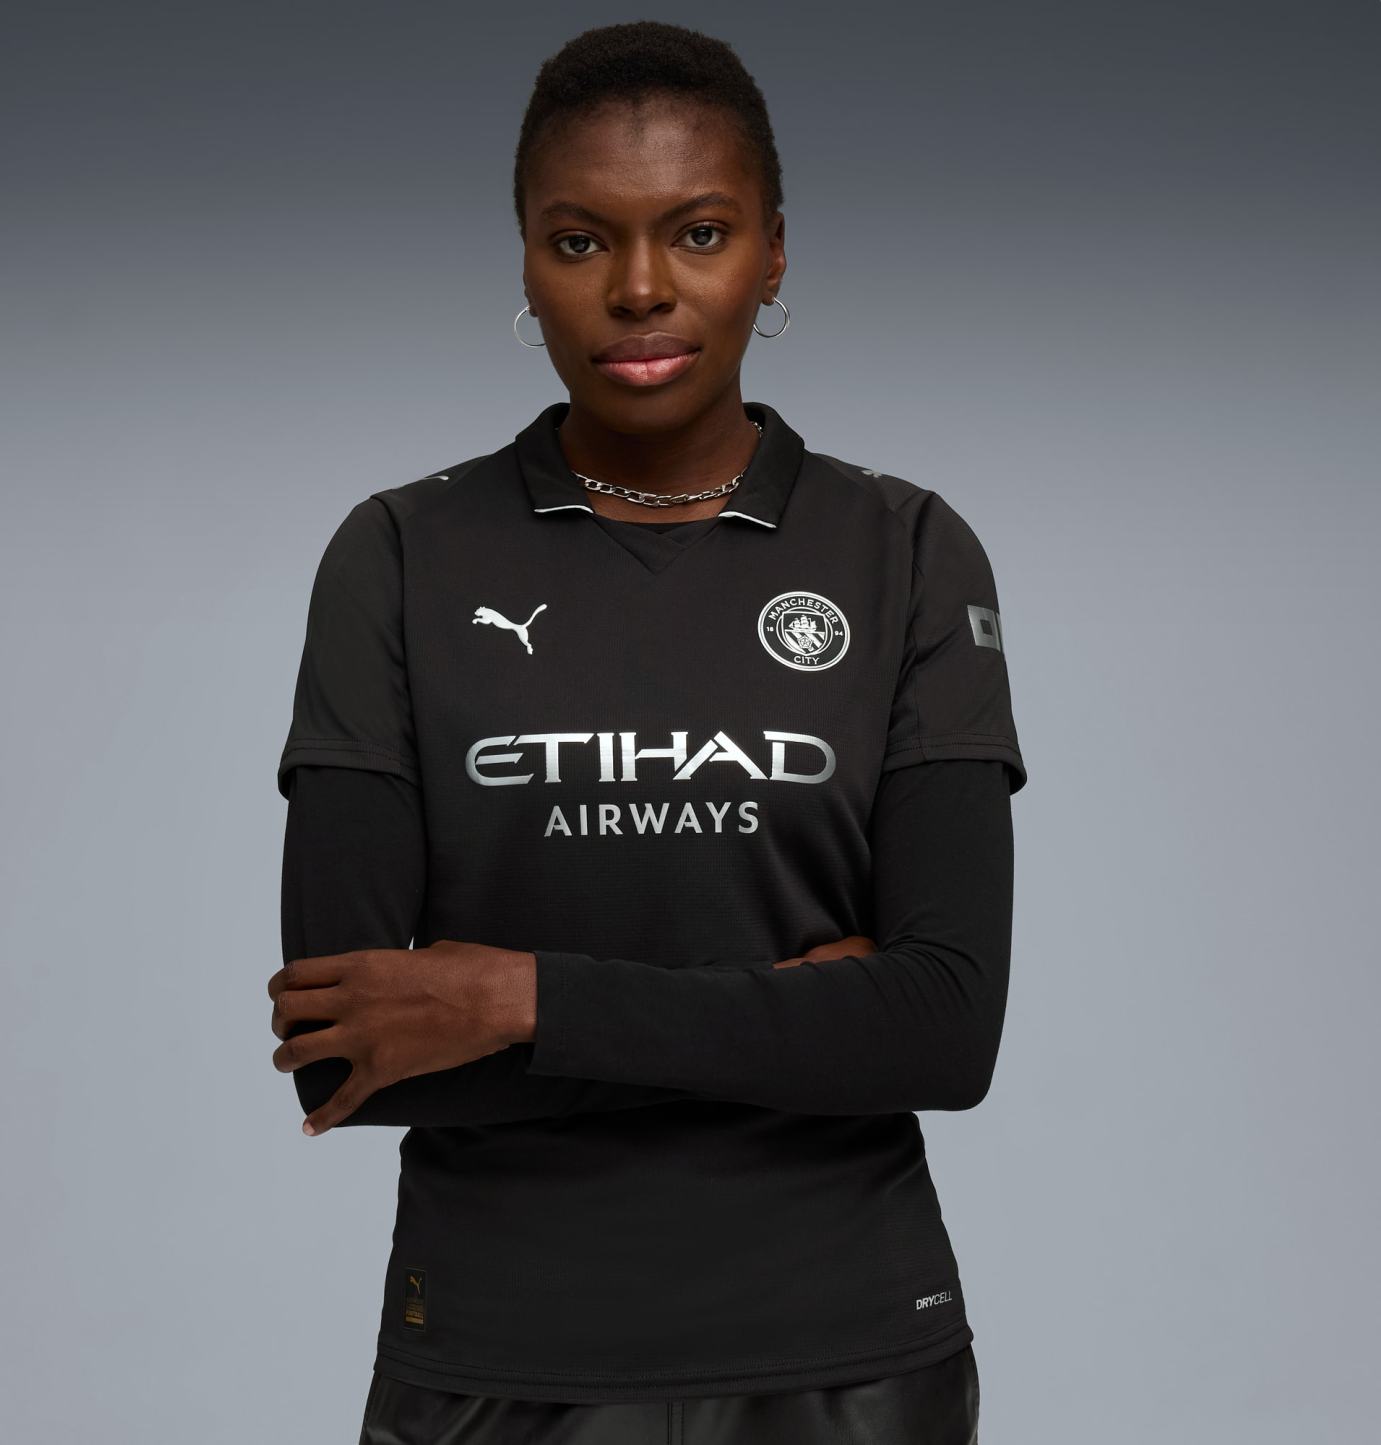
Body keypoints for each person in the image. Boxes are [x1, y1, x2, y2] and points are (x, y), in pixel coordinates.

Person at [269, 20, 1025, 1444]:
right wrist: (789, 1022)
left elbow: (941, 1030)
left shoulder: (906, 550)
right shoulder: (403, 553)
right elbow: (341, 1048)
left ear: (773, 254)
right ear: (525, 263)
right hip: (493, 1364)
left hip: (849, 1366)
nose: (637, 288)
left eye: (698, 232)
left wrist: (514, 999)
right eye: (579, 241)